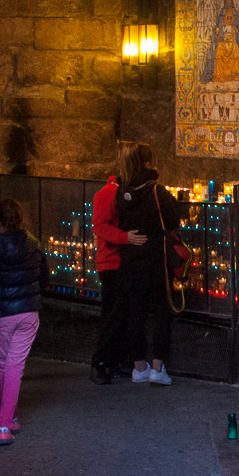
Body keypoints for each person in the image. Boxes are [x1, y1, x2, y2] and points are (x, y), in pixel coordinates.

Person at [112, 142, 185, 386]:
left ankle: (138, 367)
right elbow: (173, 219)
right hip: (155, 260)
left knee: (136, 313)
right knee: (162, 312)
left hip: (130, 260)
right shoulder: (156, 192)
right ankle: (158, 367)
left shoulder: (121, 192)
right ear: (147, 163)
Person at [0, 198, 48, 446]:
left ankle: (9, 418)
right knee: (15, 365)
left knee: (3, 364)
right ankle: (6, 421)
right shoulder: (34, 244)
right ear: (21, 219)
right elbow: (44, 277)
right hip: (27, 312)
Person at [89, 144, 147, 384]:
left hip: (123, 262)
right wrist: (126, 238)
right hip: (111, 262)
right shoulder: (107, 194)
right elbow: (100, 227)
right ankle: (100, 362)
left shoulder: (125, 192)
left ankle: (114, 361)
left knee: (122, 315)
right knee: (113, 315)